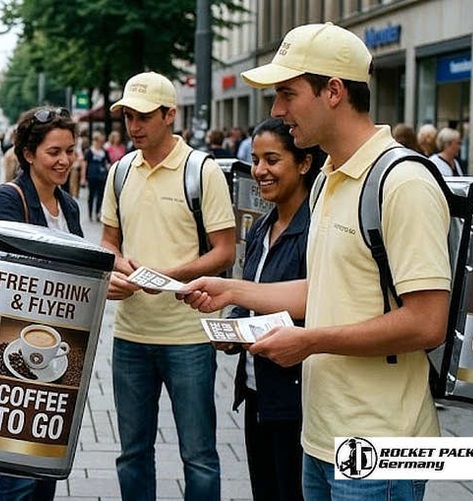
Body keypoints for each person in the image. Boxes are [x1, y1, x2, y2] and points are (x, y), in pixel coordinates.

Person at [183, 23, 450, 501]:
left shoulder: (403, 182)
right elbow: (326, 289)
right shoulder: (327, 177)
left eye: (287, 93)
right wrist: (234, 290)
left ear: (333, 91)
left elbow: (428, 323)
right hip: (320, 435)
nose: (277, 111)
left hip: (381, 447)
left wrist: (309, 342)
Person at [102, 71, 236, 500]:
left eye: (143, 116)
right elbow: (109, 241)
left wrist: (168, 277)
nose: (134, 126)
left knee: (199, 455)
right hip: (130, 333)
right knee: (132, 452)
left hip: (189, 336)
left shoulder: (202, 171)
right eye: (128, 117)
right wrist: (122, 268)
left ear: (169, 114)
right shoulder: (121, 171)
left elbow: (225, 250)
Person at [0, 106, 82, 500]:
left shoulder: (69, 206)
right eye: (54, 152)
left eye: (69, 151)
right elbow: (2, 274)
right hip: (17, 356)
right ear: (28, 154)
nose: (64, 161)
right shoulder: (9, 199)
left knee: (44, 466)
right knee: (17, 470)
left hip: (61, 351)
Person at [229, 118, 323, 501]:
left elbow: (319, 303)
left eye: (272, 159)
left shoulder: (315, 230)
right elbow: (251, 295)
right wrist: (233, 328)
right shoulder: (260, 227)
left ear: (303, 164)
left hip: (295, 397)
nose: (260, 171)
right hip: (257, 392)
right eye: (255, 160)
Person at [84, 131, 109, 221]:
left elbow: (107, 162)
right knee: (91, 194)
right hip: (92, 175)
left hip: (101, 176)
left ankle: (97, 212)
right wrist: (83, 177)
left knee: (100, 195)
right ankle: (90, 213)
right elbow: (85, 164)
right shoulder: (90, 151)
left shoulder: (104, 152)